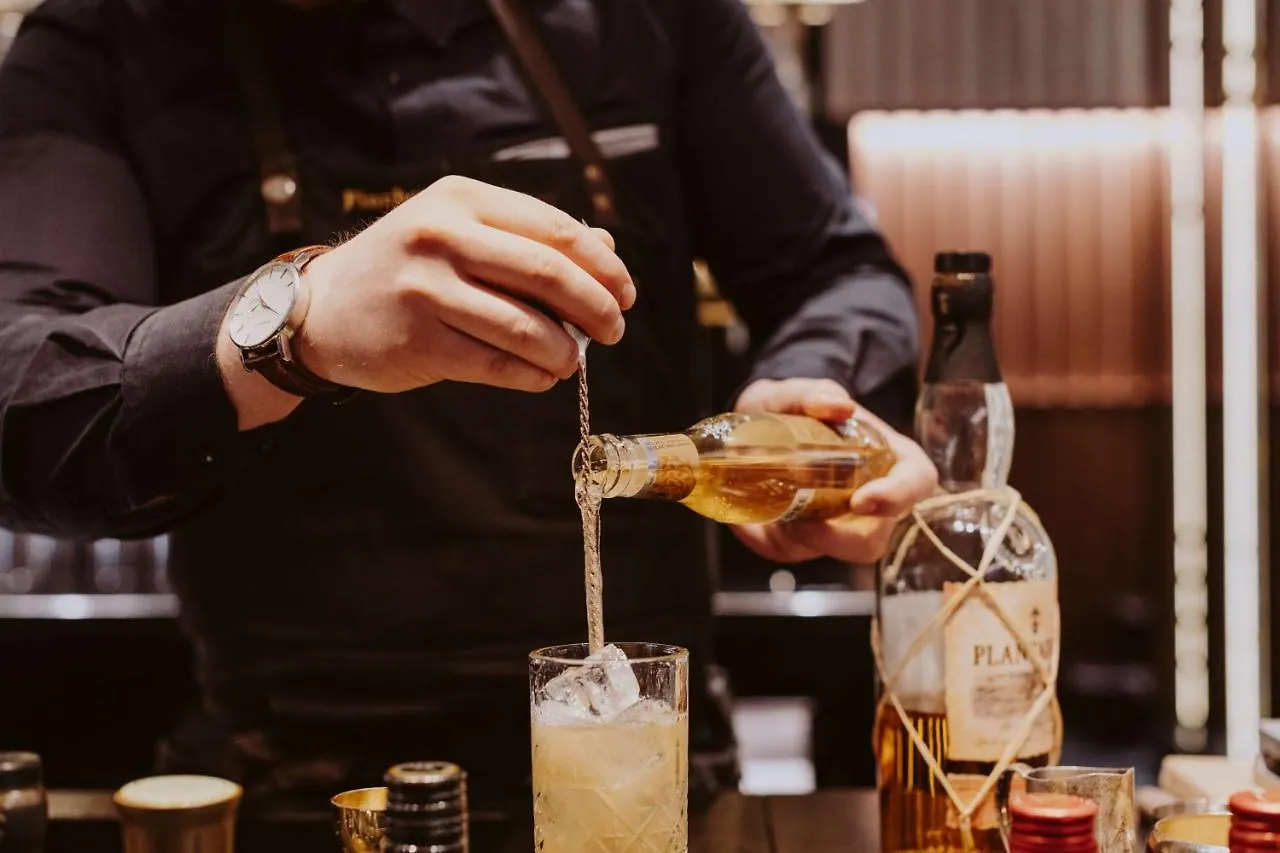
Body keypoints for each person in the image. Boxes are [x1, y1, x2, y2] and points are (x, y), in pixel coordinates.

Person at [0, 0, 935, 819]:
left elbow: (835, 274)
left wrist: (806, 396)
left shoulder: (639, 17)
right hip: (292, 774)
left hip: (643, 762)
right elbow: (23, 400)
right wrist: (295, 323)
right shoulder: (107, 40)